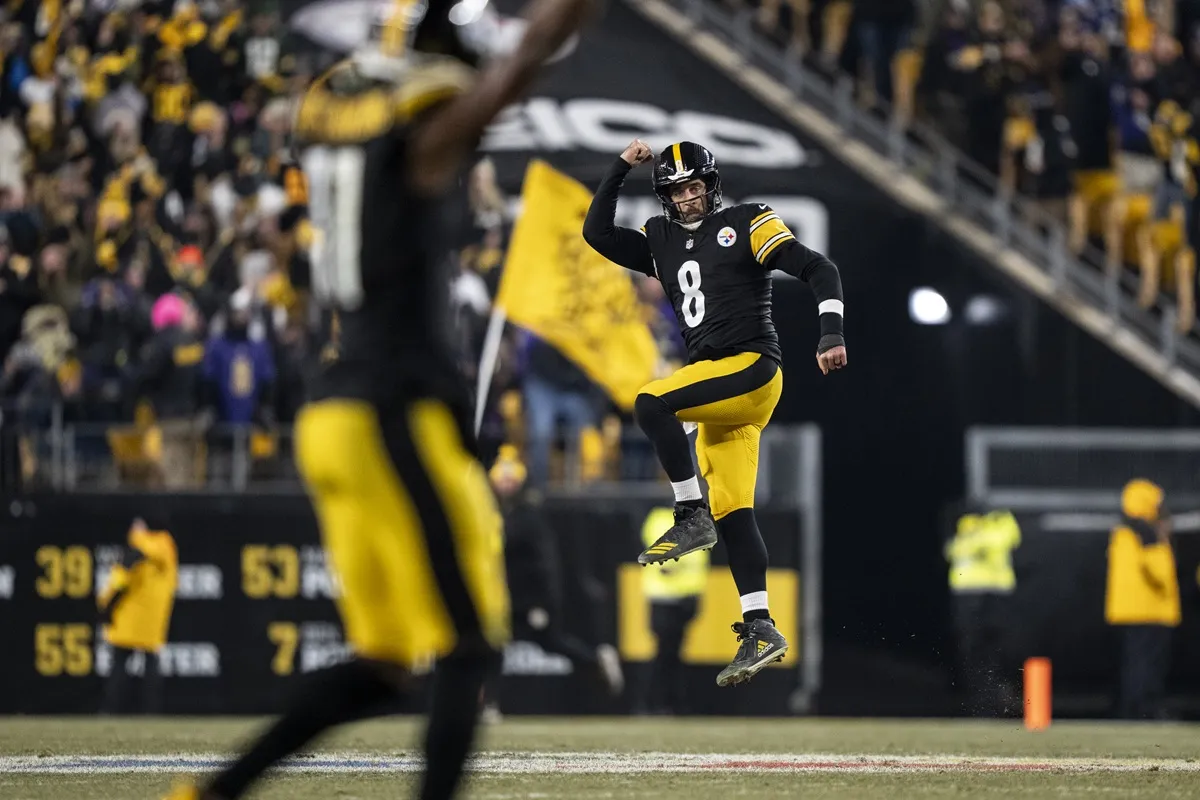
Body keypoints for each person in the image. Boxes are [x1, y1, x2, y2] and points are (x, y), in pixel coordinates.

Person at [162, 0, 595, 797]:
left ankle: (209, 793)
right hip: (398, 411)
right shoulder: (421, 137)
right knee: (471, 644)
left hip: (334, 412)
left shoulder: (341, 122)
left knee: (387, 662)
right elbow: (522, 59)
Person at [582, 139, 847, 687]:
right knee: (735, 513)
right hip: (720, 396)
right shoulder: (657, 241)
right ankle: (760, 625)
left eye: (695, 186)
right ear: (665, 196)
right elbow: (597, 235)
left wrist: (831, 332)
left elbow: (820, 269)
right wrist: (619, 169)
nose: (687, 197)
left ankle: (687, 514)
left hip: (750, 368)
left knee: (652, 401)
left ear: (711, 184)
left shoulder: (748, 221)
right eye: (677, 189)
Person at [1106, 478, 1180, 720]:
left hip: (1132, 609)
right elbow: (1158, 572)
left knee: (1134, 663)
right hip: (1149, 609)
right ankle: (1144, 711)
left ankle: (1133, 710)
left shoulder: (1125, 529)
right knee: (1147, 666)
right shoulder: (1145, 532)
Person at [97, 518, 178, 715]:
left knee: (119, 665)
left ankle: (112, 710)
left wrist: (105, 606)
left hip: (128, 614)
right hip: (153, 616)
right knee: (150, 663)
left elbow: (120, 581)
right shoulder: (166, 547)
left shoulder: (141, 546)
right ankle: (150, 712)